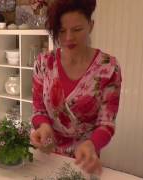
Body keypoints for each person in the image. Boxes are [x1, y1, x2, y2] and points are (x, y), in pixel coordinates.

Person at [30, 0, 122, 175]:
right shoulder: (44, 63)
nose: (69, 37)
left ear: (91, 25)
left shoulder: (108, 67)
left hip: (85, 157)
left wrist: (92, 144)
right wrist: (43, 127)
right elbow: (38, 110)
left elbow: (106, 122)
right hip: (49, 153)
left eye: (77, 29)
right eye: (62, 31)